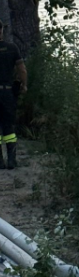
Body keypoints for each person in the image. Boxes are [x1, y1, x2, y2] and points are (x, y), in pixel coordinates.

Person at [0, 22, 26, 170]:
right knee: (9, 125)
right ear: (1, 30)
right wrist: (24, 85)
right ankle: (11, 160)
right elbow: (22, 70)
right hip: (7, 92)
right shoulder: (12, 48)